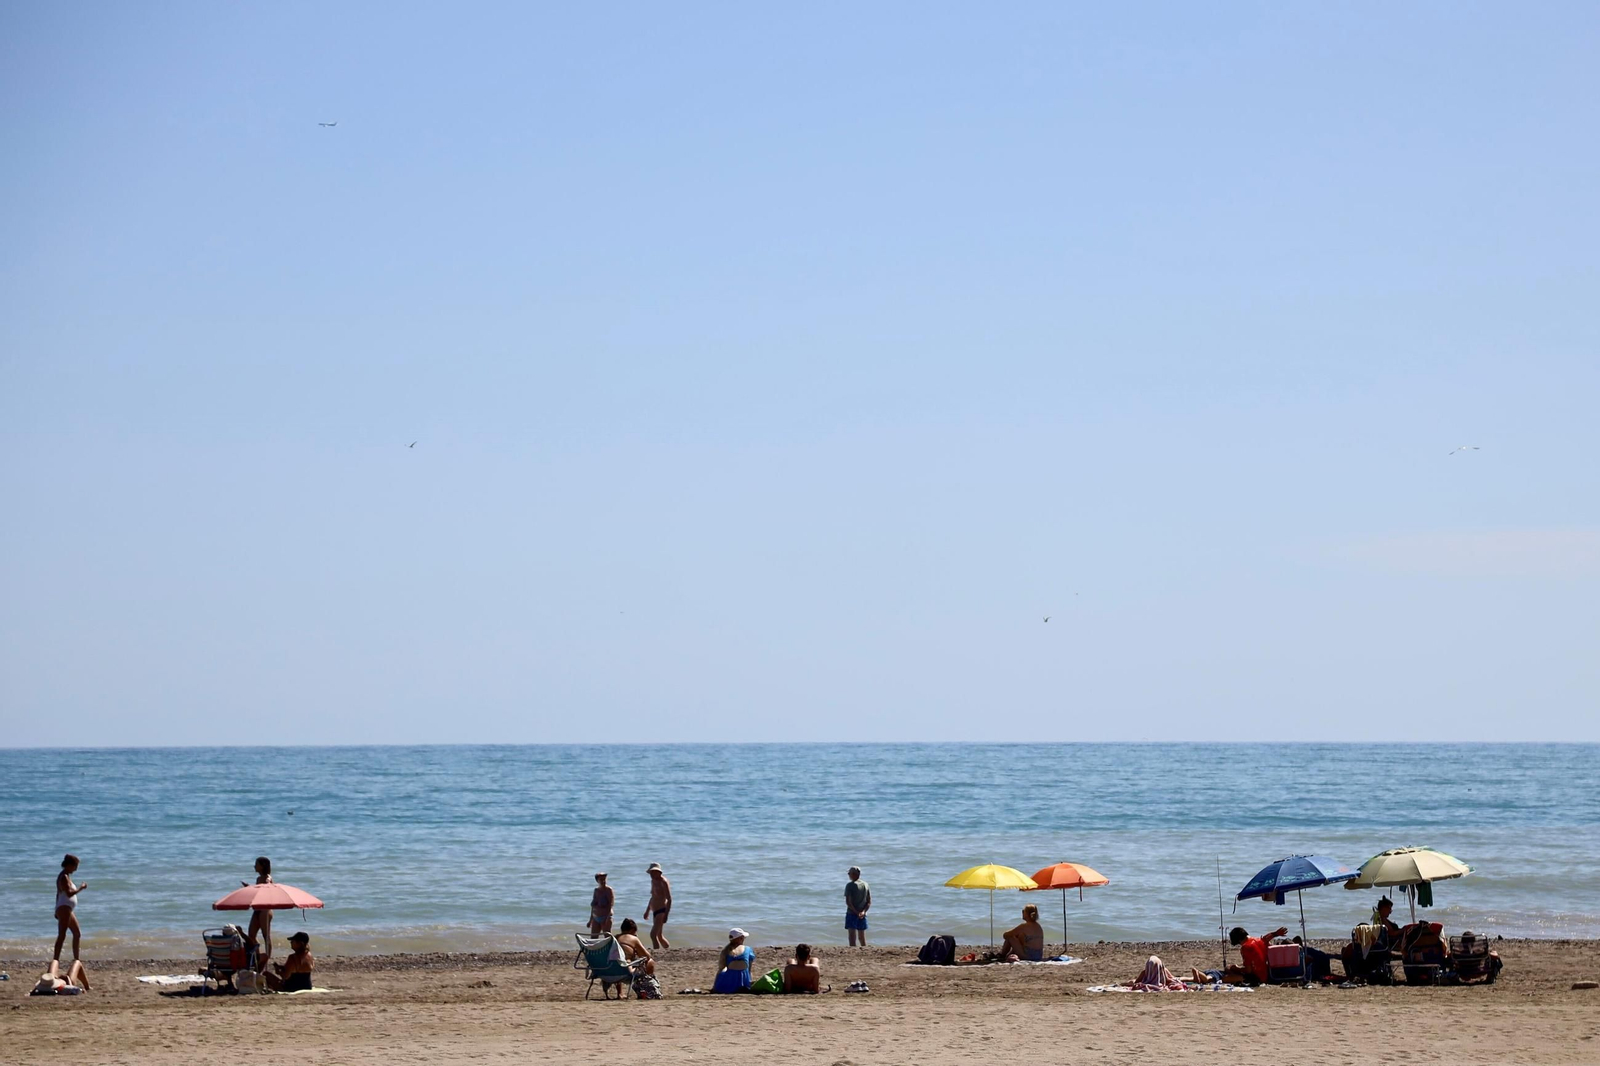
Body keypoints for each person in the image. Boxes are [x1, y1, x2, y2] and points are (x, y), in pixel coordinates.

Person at [1213, 925, 1289, 985]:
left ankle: (1239, 978)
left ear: (1239, 940)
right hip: (1266, 974)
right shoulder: (1259, 940)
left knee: (1226, 978)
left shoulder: (1245, 947)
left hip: (1257, 977)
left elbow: (1248, 970)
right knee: (1230, 969)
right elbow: (1266, 938)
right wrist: (1275, 933)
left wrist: (1236, 968)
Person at [53, 854, 86, 963]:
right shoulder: (63, 877)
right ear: (69, 865)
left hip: (66, 908)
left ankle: (76, 959)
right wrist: (81, 888)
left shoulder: (66, 876)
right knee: (62, 935)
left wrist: (55, 908)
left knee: (77, 933)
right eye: (75, 866)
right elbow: (69, 893)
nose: (76, 869)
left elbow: (58, 894)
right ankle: (55, 960)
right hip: (64, 908)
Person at [245, 856, 274, 969]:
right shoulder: (258, 878)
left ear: (262, 866)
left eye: (256, 864)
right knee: (251, 935)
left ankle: (266, 959)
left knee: (266, 935)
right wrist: (249, 888)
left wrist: (267, 883)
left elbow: (268, 891)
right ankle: (257, 955)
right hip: (257, 909)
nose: (254, 866)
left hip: (265, 911)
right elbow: (258, 893)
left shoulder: (268, 878)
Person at [711, 928, 754, 993]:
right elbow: (749, 969)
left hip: (729, 983)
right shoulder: (748, 949)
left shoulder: (725, 951)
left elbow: (721, 968)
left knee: (723, 971)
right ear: (741, 938)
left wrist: (715, 986)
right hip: (743, 983)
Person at [643, 863, 672, 950]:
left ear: (658, 872)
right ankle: (668, 950)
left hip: (661, 910)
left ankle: (656, 952)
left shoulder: (663, 882)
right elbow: (653, 896)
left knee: (653, 934)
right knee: (659, 935)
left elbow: (669, 899)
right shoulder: (653, 881)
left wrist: (666, 915)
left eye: (653, 872)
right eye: (651, 873)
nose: (651, 875)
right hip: (654, 910)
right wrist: (647, 910)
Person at [844, 867, 871, 947]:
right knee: (861, 936)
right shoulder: (865, 884)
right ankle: (864, 949)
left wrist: (856, 912)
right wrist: (863, 911)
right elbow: (869, 901)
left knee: (852, 936)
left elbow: (848, 902)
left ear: (853, 874)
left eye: (849, 873)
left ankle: (853, 949)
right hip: (862, 913)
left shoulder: (850, 885)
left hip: (852, 913)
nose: (848, 875)